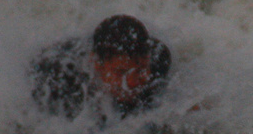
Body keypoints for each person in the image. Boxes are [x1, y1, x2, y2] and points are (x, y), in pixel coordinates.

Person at [31, 14, 172, 122]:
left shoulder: (159, 61)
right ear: (96, 64)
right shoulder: (63, 84)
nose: (133, 82)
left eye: (141, 69)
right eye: (121, 72)